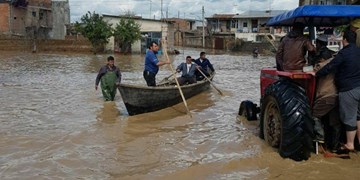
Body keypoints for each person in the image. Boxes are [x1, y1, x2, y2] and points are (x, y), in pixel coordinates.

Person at [316, 30, 360, 152]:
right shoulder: (358, 51)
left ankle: (350, 144)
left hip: (348, 89)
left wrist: (317, 73)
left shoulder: (344, 53)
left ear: (344, 40)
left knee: (349, 117)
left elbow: (330, 66)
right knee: (358, 117)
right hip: (359, 87)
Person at [312, 34, 340, 151]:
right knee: (335, 122)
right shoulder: (337, 61)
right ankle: (335, 146)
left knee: (313, 116)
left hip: (325, 96)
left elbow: (313, 71)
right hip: (337, 95)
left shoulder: (320, 66)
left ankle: (320, 136)